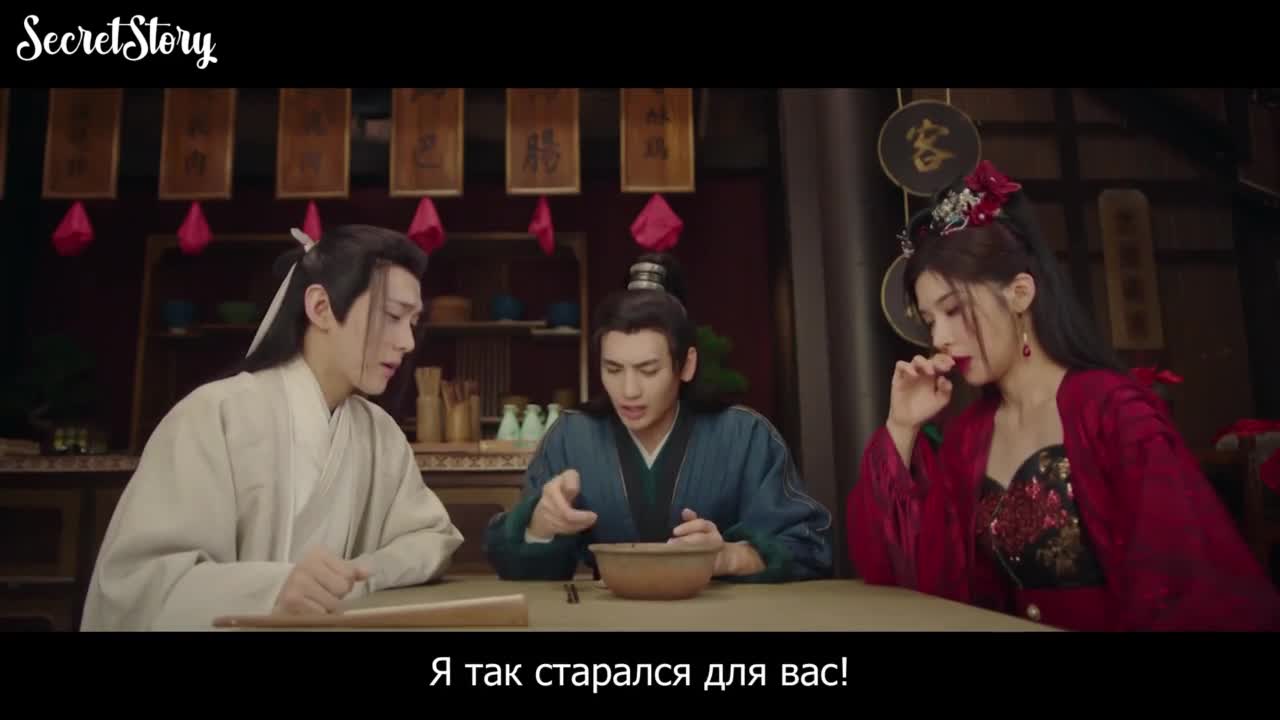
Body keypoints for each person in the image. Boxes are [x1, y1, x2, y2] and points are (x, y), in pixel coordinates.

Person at [847, 160, 1280, 631]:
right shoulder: (970, 435)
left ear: (1019, 293)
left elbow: (1182, 585)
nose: (941, 338)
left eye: (953, 310)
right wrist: (902, 426)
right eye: (931, 321)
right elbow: (910, 574)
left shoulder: (1112, 410)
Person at [82, 225, 464, 630]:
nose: (407, 341)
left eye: (412, 322)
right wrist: (271, 590)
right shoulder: (213, 416)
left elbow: (431, 539)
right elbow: (138, 584)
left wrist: (358, 575)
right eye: (392, 316)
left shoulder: (380, 435)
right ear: (321, 307)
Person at [484, 253, 832, 583]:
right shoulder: (571, 437)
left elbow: (809, 548)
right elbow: (514, 566)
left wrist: (729, 557)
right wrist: (539, 527)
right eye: (613, 369)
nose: (629, 390)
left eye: (648, 370)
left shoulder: (744, 435)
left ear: (687, 365)